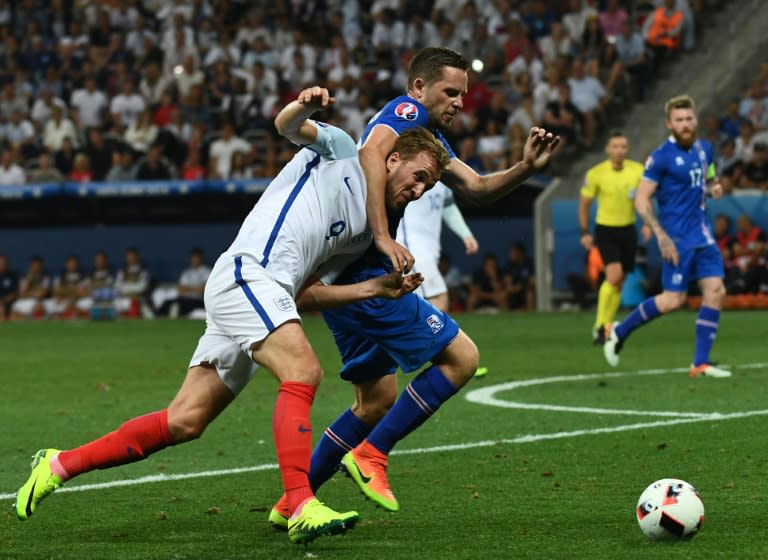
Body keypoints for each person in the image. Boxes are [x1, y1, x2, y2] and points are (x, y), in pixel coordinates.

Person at [14, 87, 448, 546]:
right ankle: (300, 504)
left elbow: (306, 296)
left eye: (428, 188)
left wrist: (372, 288)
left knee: (186, 420)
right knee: (302, 369)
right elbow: (285, 125)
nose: (418, 191)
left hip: (263, 292)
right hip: (248, 273)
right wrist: (304, 106)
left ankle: (58, 464)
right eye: (417, 176)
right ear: (393, 157)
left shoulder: (362, 236)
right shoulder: (343, 150)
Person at [267, 48, 559, 526]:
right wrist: (383, 236)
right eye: (450, 91)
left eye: (463, 94)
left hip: (346, 281)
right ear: (419, 88)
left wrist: (525, 168)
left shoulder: (430, 139)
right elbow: (371, 152)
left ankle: (291, 504)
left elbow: (479, 188)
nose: (459, 102)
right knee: (463, 358)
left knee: (375, 400)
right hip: (365, 277)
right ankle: (372, 456)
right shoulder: (406, 112)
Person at [603, 95, 732, 378]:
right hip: (676, 238)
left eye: (689, 119)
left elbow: (708, 181)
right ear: (669, 124)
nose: (685, 124)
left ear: (695, 120)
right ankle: (619, 331)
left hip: (702, 235)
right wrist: (660, 235)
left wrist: (715, 189)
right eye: (679, 120)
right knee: (673, 300)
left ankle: (700, 363)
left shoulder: (705, 149)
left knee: (716, 292)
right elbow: (642, 200)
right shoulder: (661, 157)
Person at [579, 131, 648, 344]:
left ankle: (606, 326)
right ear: (607, 149)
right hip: (606, 230)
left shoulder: (637, 171)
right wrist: (584, 231)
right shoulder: (596, 173)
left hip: (628, 229)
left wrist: (647, 222)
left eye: (623, 146)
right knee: (614, 275)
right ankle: (599, 326)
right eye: (615, 146)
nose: (619, 150)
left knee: (619, 281)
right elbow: (584, 203)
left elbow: (643, 199)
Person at [0, 254, 19, 321]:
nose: (2, 265)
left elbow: (16, 292)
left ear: (7, 264)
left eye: (4, 263)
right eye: (0, 263)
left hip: (10, 302)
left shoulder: (12, 276)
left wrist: (5, 300)